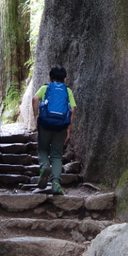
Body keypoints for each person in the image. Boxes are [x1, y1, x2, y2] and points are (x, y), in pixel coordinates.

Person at [32, 66, 76, 196]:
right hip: (61, 126)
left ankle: (45, 166)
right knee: (57, 155)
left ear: (50, 78)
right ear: (65, 79)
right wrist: (68, 128)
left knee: (43, 149)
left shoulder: (46, 88)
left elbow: (35, 99)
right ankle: (55, 183)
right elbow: (72, 109)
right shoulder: (68, 91)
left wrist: (36, 117)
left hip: (45, 123)